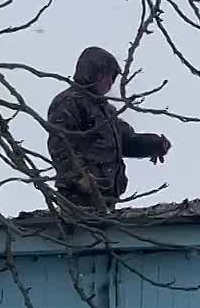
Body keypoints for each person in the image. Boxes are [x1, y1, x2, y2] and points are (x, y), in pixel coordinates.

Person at [46, 46, 170, 212]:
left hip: (106, 195)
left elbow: (125, 141)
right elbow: (60, 145)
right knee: (83, 227)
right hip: (78, 195)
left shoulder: (105, 110)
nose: (111, 82)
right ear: (96, 73)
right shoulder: (69, 102)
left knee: (103, 226)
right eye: (110, 75)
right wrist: (78, 176)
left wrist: (153, 144)